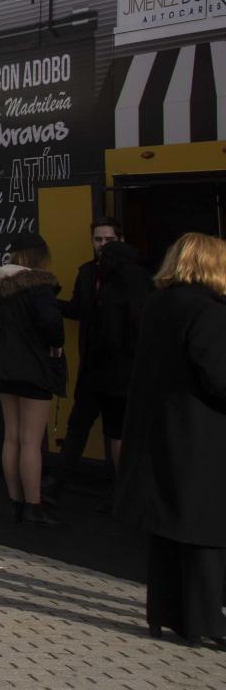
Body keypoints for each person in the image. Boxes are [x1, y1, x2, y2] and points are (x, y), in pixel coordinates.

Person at [115, 232, 226, 648]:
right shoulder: (210, 311)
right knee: (206, 530)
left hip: (159, 429)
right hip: (201, 434)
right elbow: (219, 377)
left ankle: (163, 613)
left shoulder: (159, 303)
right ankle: (206, 622)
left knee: (167, 529)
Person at [0, 233, 67, 527]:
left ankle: (14, 502)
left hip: (3, 367)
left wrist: (0, 346)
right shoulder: (39, 285)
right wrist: (55, 343)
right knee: (31, 441)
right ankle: (33, 506)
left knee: (11, 436)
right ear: (38, 255)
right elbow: (50, 321)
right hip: (34, 367)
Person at [56, 223, 149, 480]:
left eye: (109, 239)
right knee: (79, 424)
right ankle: (59, 481)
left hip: (117, 367)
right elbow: (76, 309)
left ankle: (121, 488)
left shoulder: (133, 280)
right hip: (93, 366)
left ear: (121, 240)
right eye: (98, 239)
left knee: (116, 429)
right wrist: (46, 302)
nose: (103, 245)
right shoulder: (86, 273)